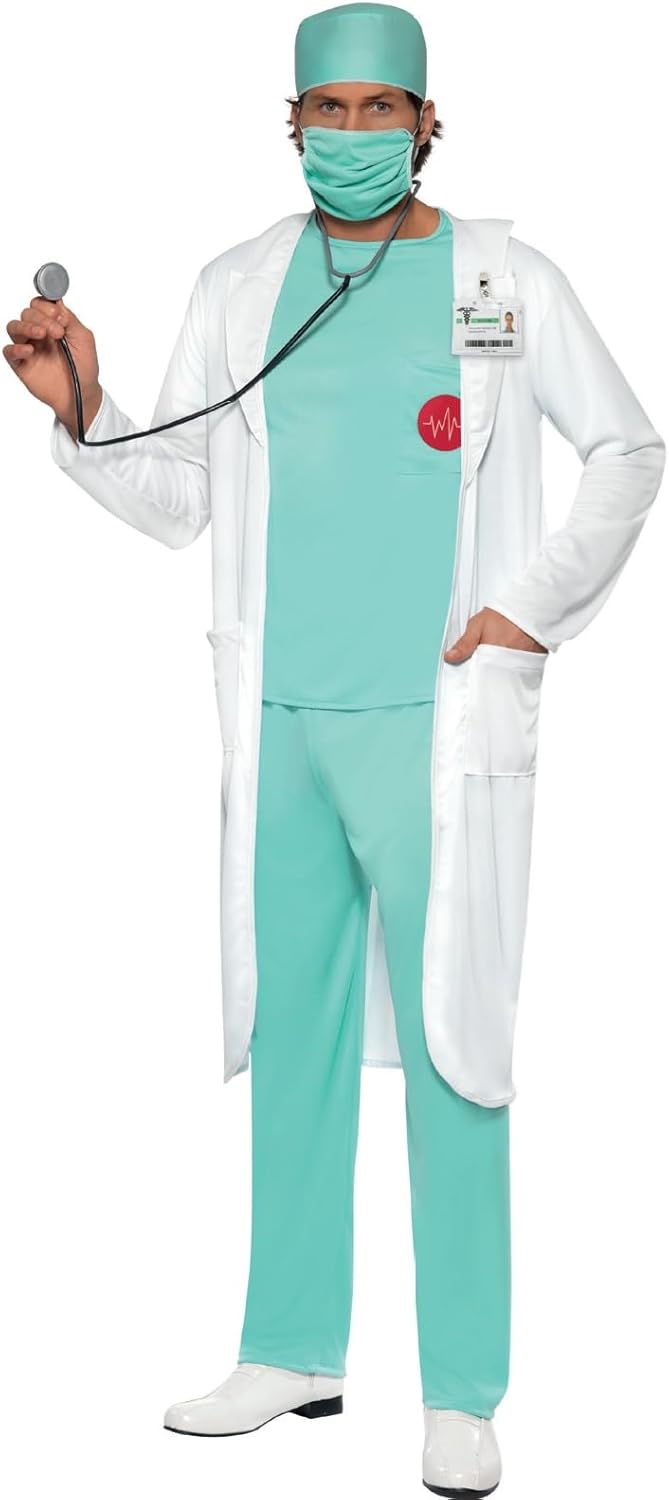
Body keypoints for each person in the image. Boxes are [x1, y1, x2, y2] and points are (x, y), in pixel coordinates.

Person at [4, 4, 664, 1494]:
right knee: (291, 1037)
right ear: (288, 122)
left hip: (436, 722)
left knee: (453, 1044)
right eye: (328, 110)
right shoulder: (239, 282)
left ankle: (462, 1388)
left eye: (380, 110)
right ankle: (291, 1348)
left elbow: (628, 448)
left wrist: (529, 606)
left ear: (428, 124)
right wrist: (84, 408)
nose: (352, 135)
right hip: (283, 721)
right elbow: (184, 497)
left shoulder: (503, 276)